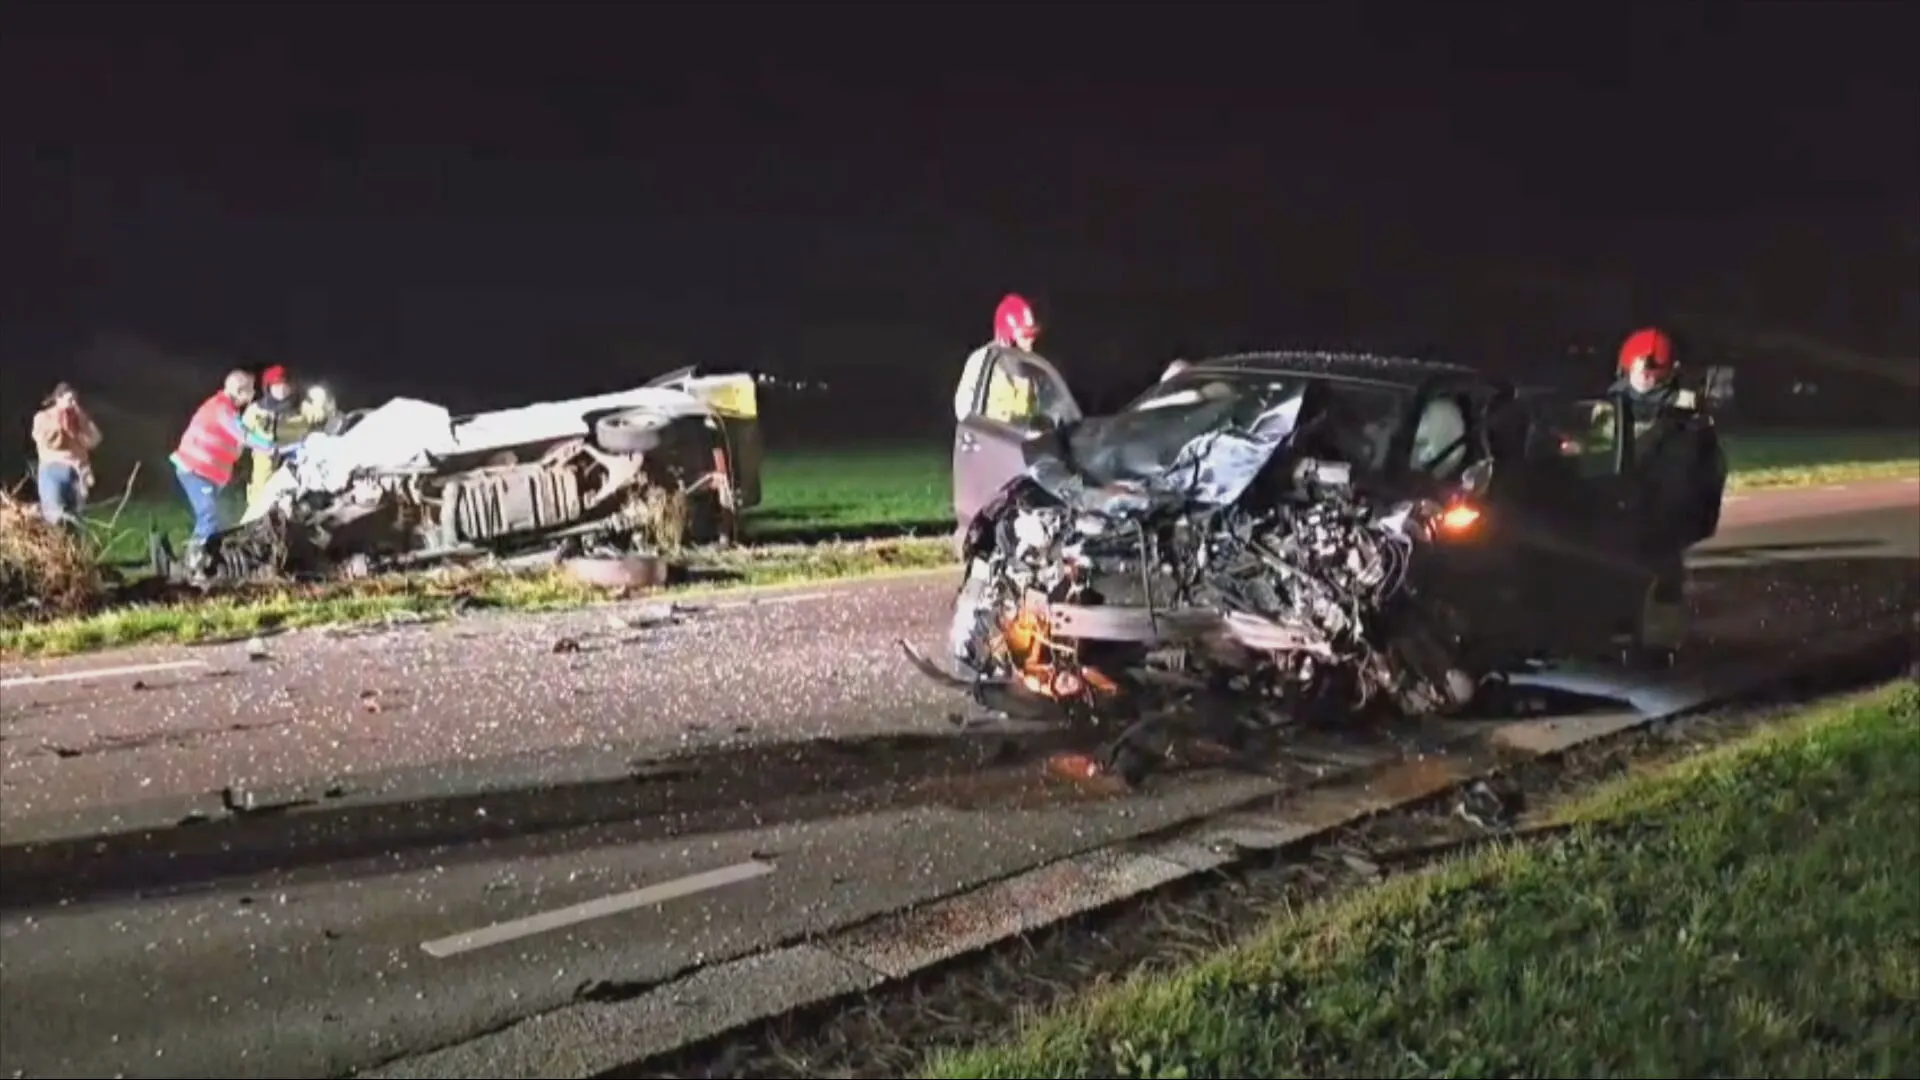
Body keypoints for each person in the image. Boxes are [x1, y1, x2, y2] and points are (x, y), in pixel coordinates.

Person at [172, 369, 280, 563]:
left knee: (213, 517)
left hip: (208, 473)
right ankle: (194, 561)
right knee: (209, 515)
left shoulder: (226, 409)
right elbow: (242, 435)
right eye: (250, 390)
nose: (253, 394)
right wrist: (269, 447)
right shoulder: (222, 409)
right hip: (196, 470)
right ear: (239, 391)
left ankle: (206, 557)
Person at [952, 293, 1073, 427]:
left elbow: (1047, 406)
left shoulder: (1030, 365)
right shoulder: (984, 360)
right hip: (994, 439)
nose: (1031, 341)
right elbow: (963, 409)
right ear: (1007, 335)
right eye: (1026, 335)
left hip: (1020, 441)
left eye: (1033, 334)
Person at [241, 365, 322, 507]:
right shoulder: (257, 409)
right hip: (265, 453)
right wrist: (257, 444)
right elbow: (242, 432)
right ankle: (255, 514)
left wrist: (321, 402)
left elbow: (321, 417)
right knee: (261, 486)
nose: (282, 390)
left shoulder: (301, 407)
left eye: (285, 385)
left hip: (295, 452)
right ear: (268, 387)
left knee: (298, 482)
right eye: (277, 385)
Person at [29, 382, 102, 527]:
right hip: (53, 470)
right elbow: (46, 441)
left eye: (75, 400)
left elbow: (95, 439)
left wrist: (80, 422)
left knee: (77, 518)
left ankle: (76, 546)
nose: (72, 405)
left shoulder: (80, 419)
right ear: (58, 399)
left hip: (78, 472)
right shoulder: (44, 417)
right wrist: (60, 425)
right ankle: (55, 543)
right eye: (69, 400)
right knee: (55, 515)